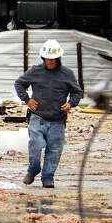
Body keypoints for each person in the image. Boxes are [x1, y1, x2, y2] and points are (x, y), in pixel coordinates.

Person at [14, 39, 82, 188]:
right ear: (43, 58)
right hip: (38, 118)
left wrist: (70, 103)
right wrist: (27, 100)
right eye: (47, 59)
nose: (50, 62)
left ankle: (47, 177)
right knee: (35, 145)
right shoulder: (35, 71)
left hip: (57, 121)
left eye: (53, 59)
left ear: (58, 58)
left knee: (55, 150)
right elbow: (19, 83)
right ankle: (33, 170)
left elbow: (77, 92)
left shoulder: (67, 74)